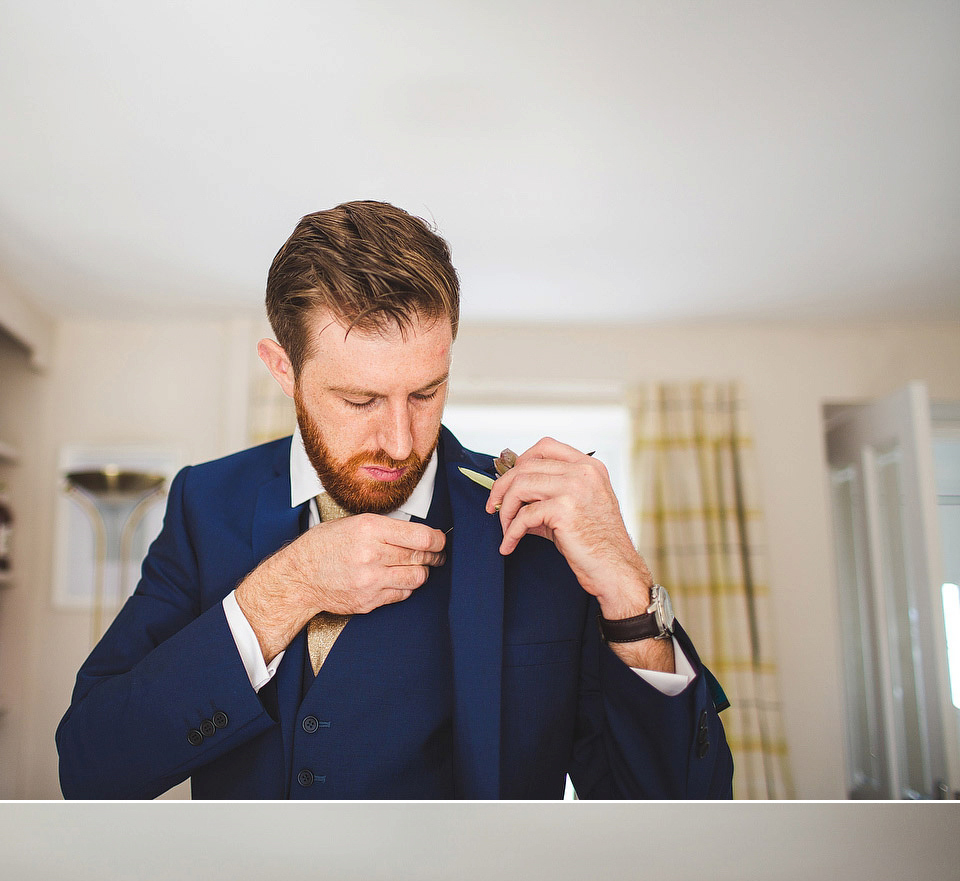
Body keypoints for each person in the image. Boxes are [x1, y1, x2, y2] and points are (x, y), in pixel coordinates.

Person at [56, 201, 732, 799]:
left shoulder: (538, 528)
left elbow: (683, 810)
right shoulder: (207, 505)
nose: (402, 441)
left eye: (427, 392)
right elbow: (91, 766)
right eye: (360, 400)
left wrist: (628, 591)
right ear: (282, 369)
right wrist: (284, 590)